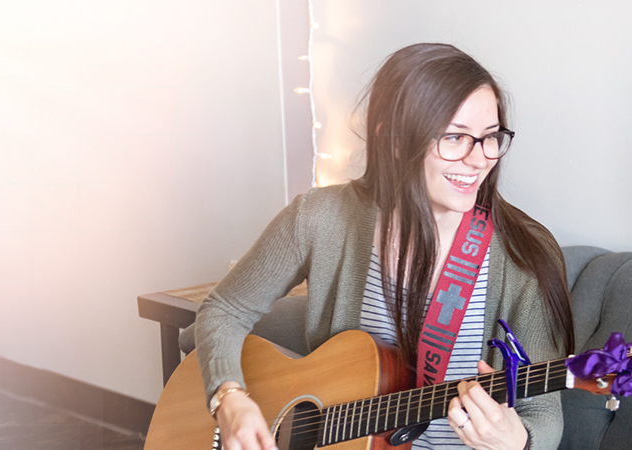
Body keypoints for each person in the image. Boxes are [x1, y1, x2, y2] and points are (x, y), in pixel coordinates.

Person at [191, 43, 572, 450]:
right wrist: (229, 397)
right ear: (392, 139)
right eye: (456, 137)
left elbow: (545, 416)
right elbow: (223, 311)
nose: (479, 159)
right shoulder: (320, 217)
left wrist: (519, 441)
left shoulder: (524, 255)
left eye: (490, 138)